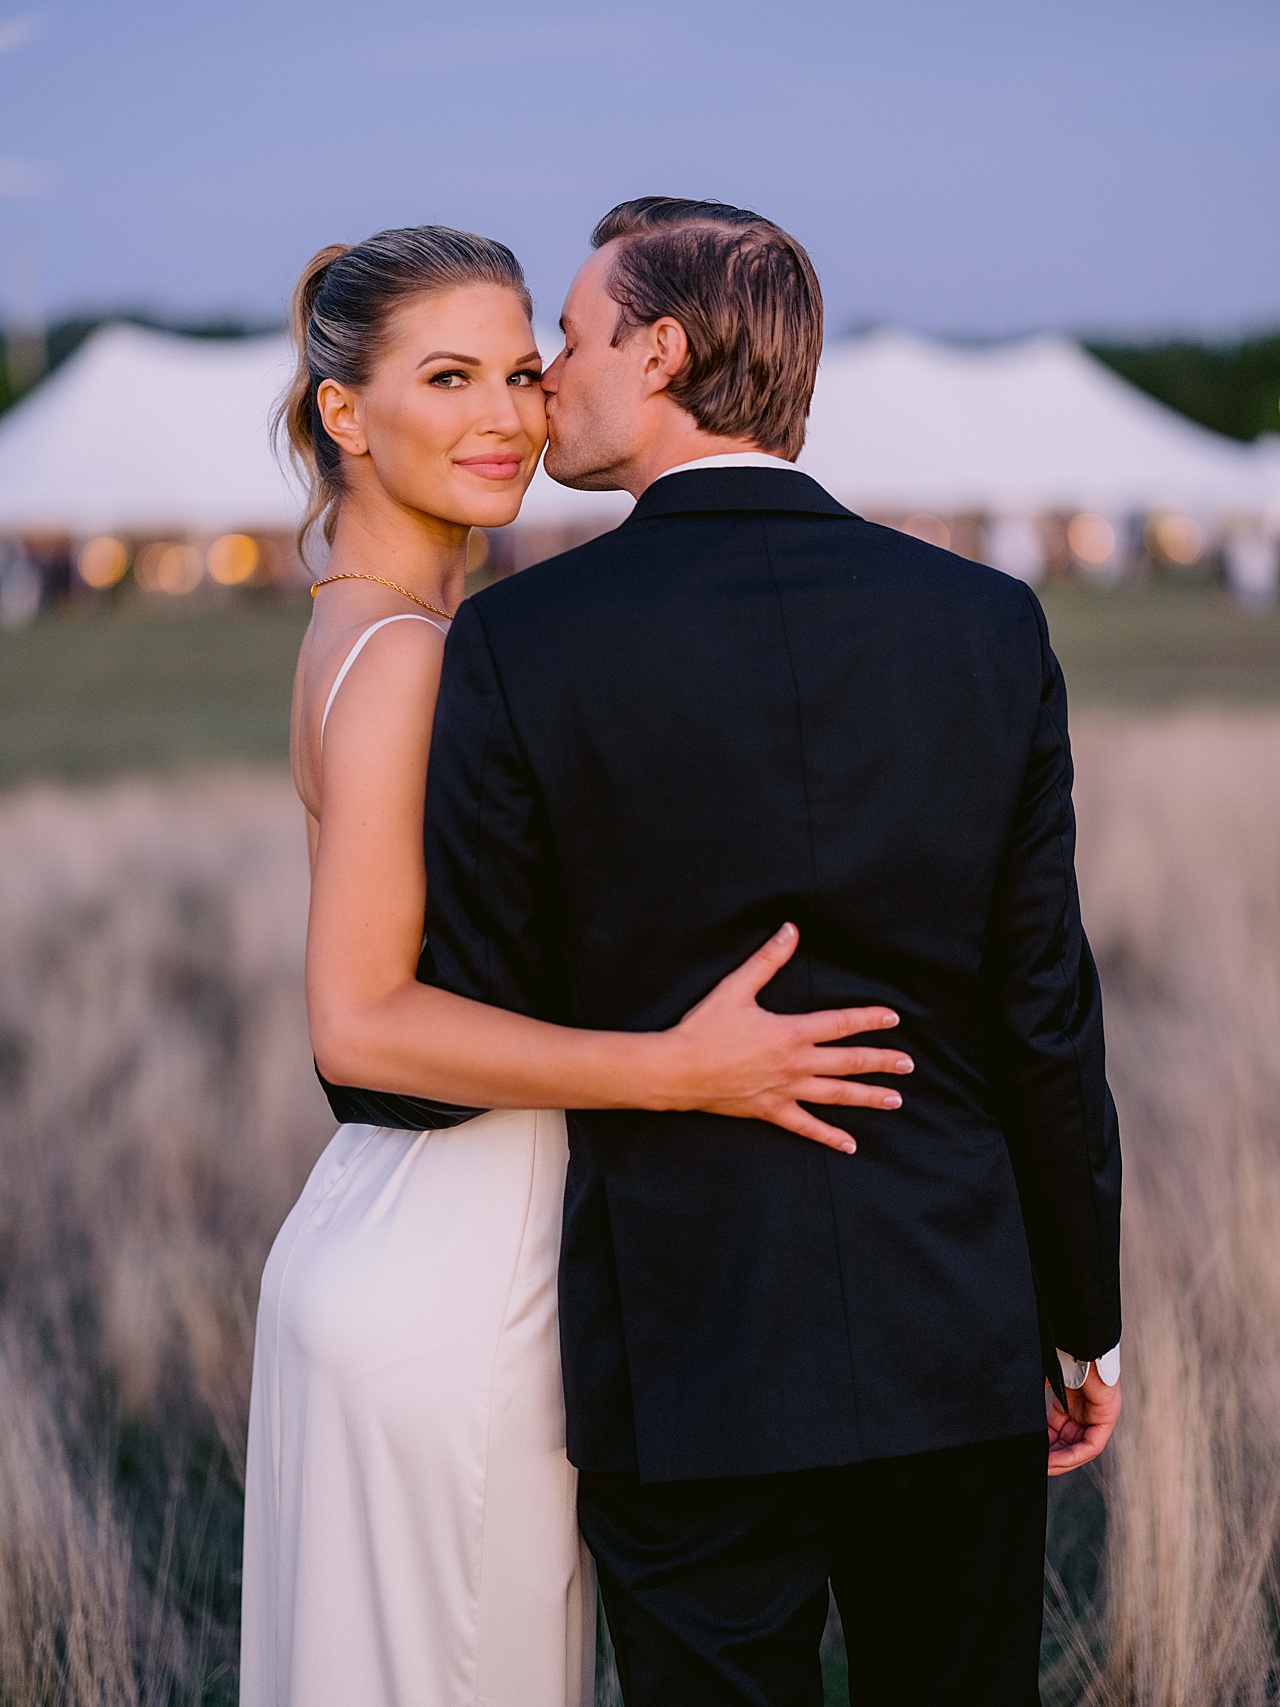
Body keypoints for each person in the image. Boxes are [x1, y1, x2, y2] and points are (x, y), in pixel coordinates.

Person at [362, 198, 1123, 1706]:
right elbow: (1043, 1009)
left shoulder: (524, 640)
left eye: (568, 344)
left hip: (687, 1341)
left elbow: (473, 1011)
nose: (545, 383)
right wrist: (1082, 1318)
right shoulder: (984, 626)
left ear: (659, 352)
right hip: (950, 1325)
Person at [238, 226, 913, 1707]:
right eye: (450, 376)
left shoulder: (372, 627)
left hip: (395, 1239)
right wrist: (677, 1070)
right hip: (454, 1274)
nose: (506, 415)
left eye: (526, 371)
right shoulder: (413, 659)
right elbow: (356, 1023)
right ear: (345, 413)